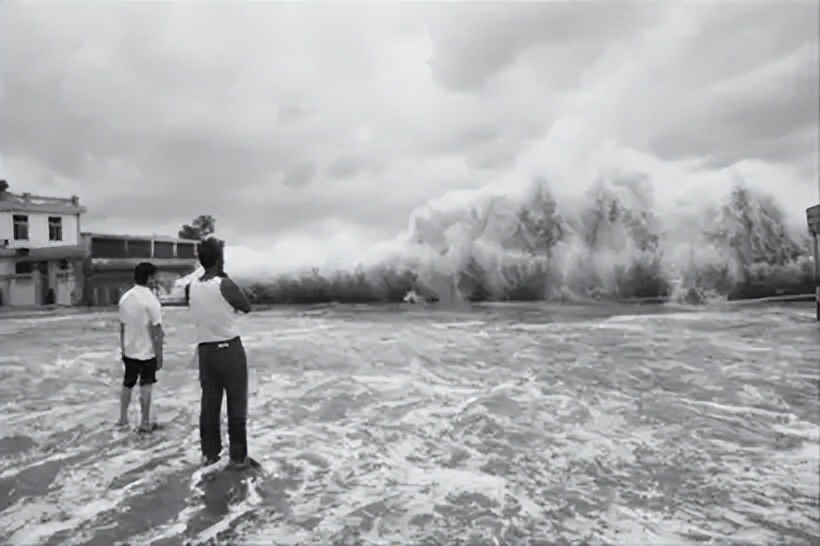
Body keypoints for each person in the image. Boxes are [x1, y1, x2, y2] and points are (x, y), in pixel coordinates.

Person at [185, 238, 252, 469]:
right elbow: (246, 306)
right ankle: (238, 458)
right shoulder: (225, 284)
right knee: (236, 405)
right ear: (218, 258)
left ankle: (210, 454)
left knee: (210, 405)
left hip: (206, 352)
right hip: (229, 350)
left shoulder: (190, 287)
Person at [117, 262, 164, 432]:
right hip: (147, 351)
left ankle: (123, 419)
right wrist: (159, 354)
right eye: (154, 277)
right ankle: (144, 422)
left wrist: (123, 349)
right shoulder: (152, 301)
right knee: (146, 385)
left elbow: (122, 327)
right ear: (149, 278)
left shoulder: (125, 298)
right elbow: (156, 330)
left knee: (127, 383)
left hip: (129, 349)